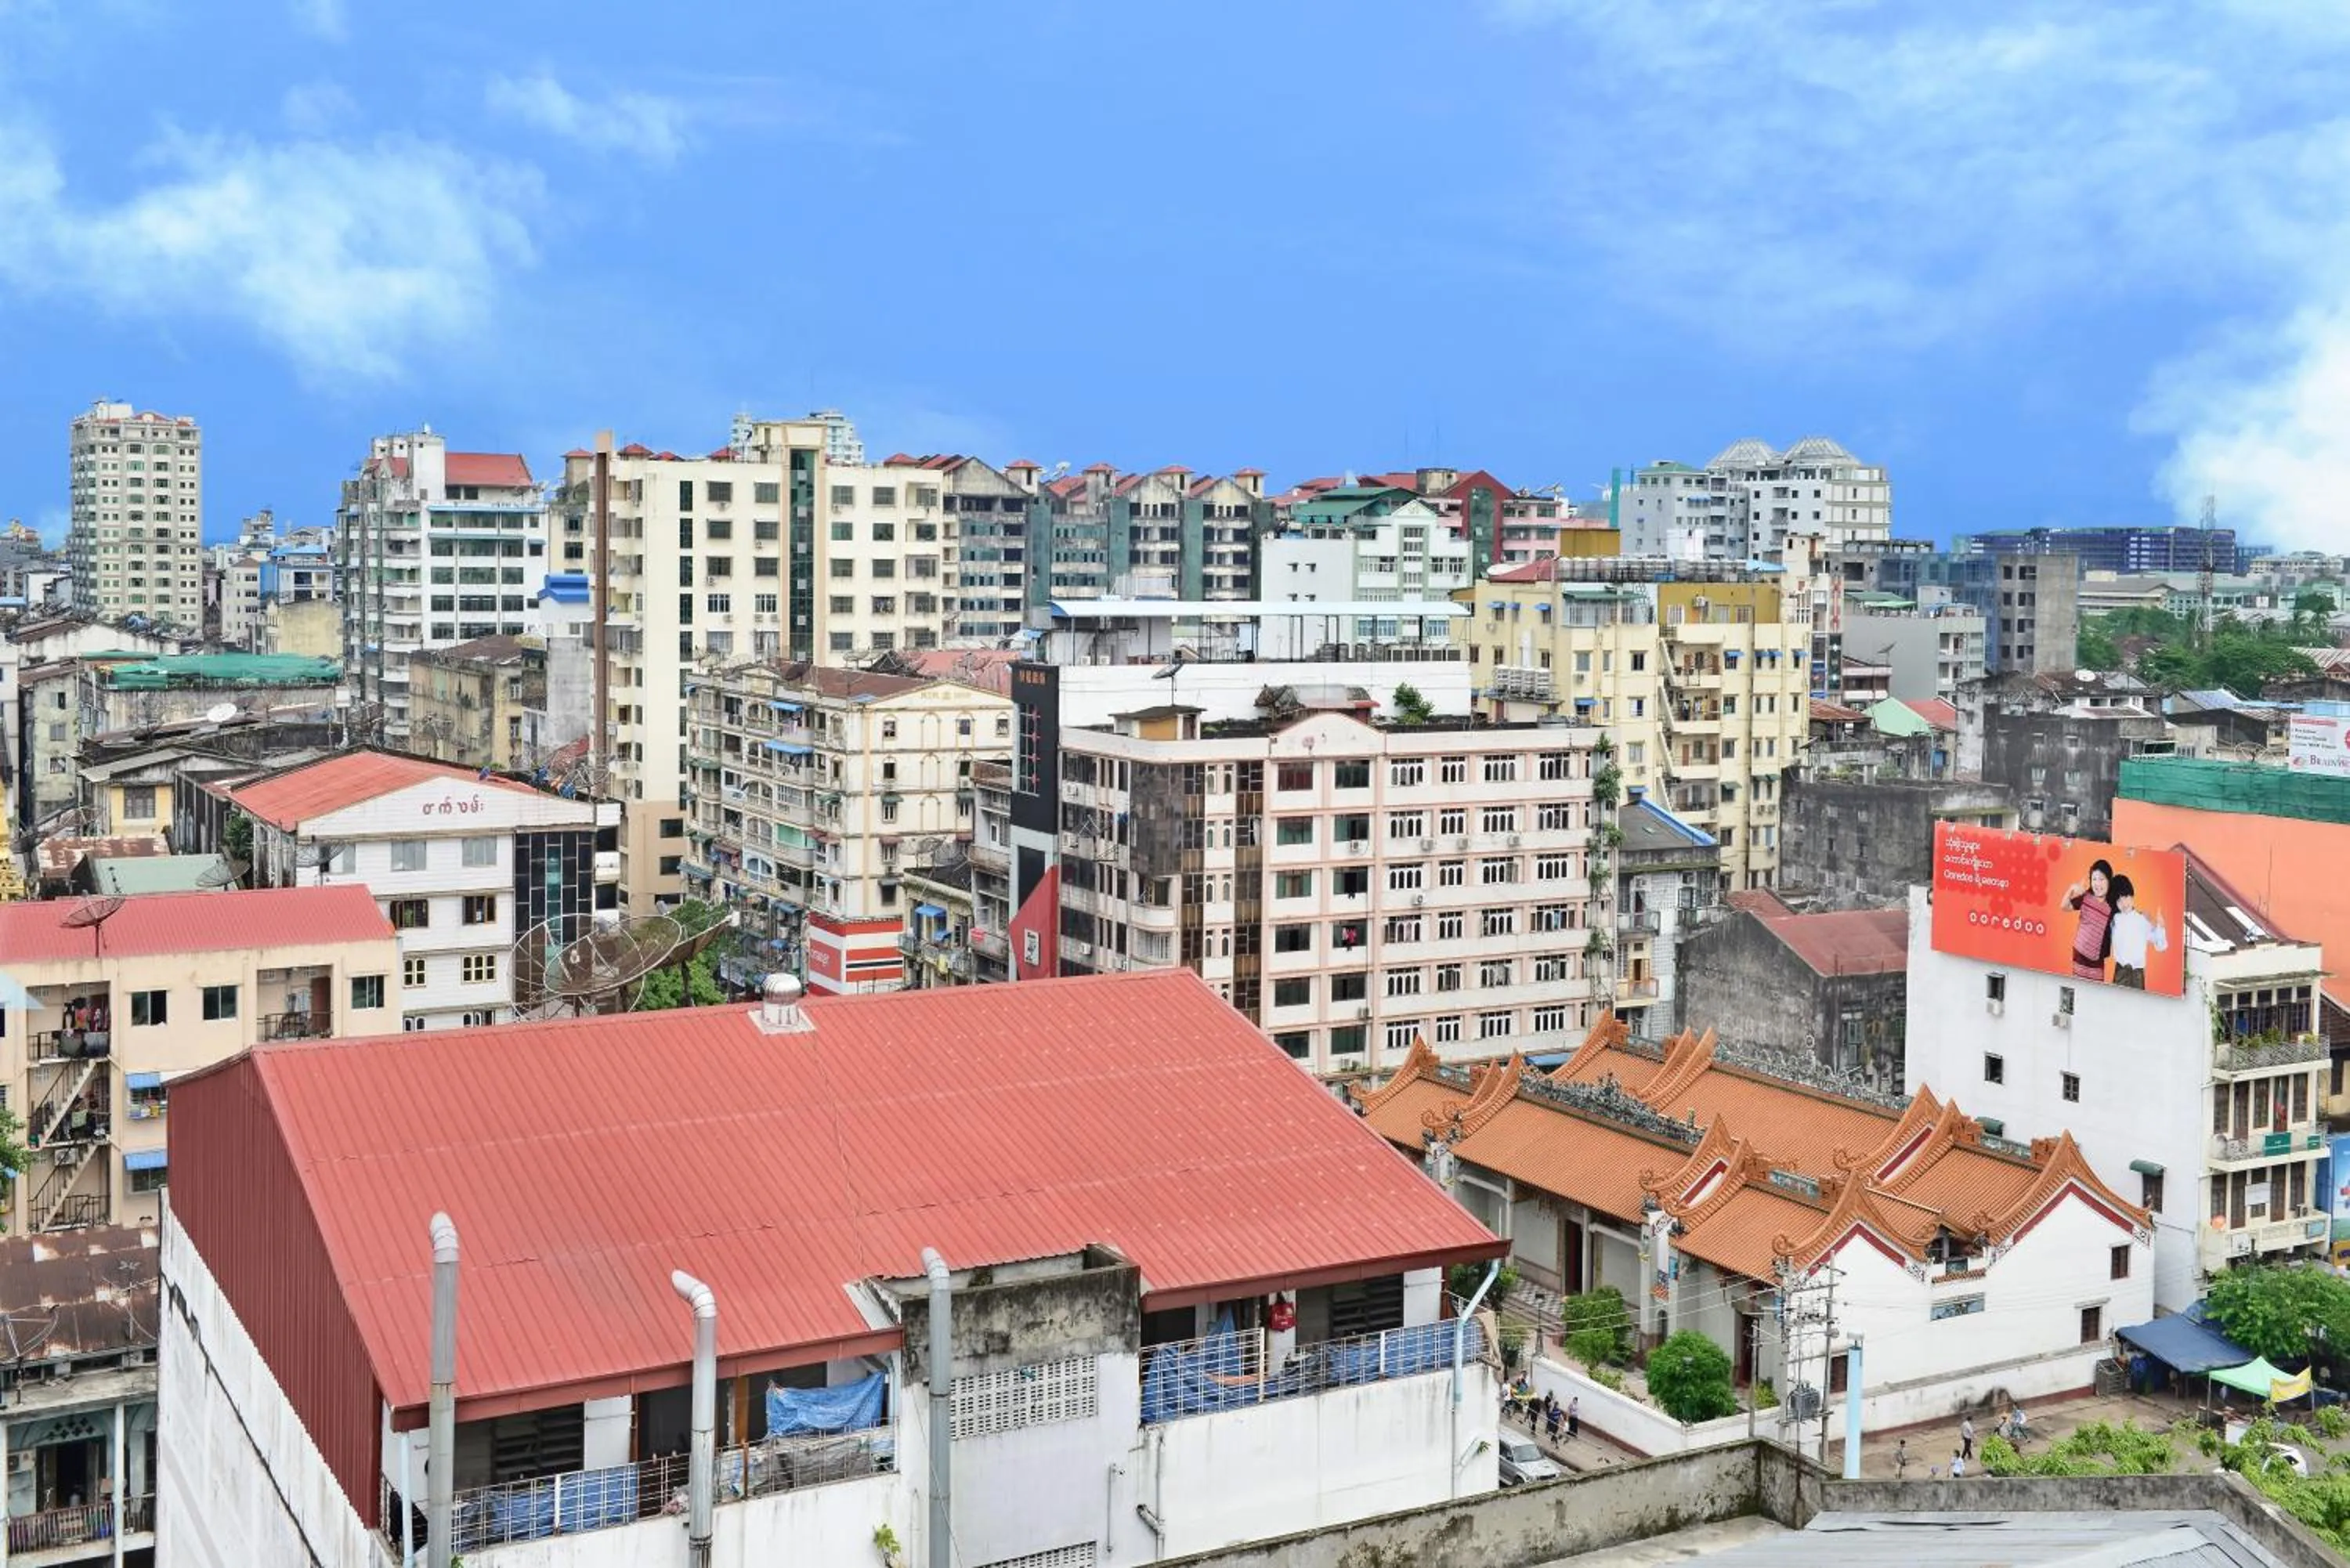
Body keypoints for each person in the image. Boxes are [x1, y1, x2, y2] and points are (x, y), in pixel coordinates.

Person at [2105, 874, 2167, 990]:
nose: (2124, 903)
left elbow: (2161, 946)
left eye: (2126, 897)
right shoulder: (2114, 920)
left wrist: (2161, 926)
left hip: (2138, 975)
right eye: (2119, 900)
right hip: (2120, 973)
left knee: (2138, 1006)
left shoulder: (2142, 919)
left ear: (2132, 896)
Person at [2064, 860, 2116, 982]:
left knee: (2095, 993)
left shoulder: (2113, 905)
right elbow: (2064, 906)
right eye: (2094, 879)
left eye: (2102, 879)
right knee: (2079, 989)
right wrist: (2071, 889)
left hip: (2097, 960)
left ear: (2109, 880)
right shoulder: (2086, 897)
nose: (2098, 884)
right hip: (2079, 955)